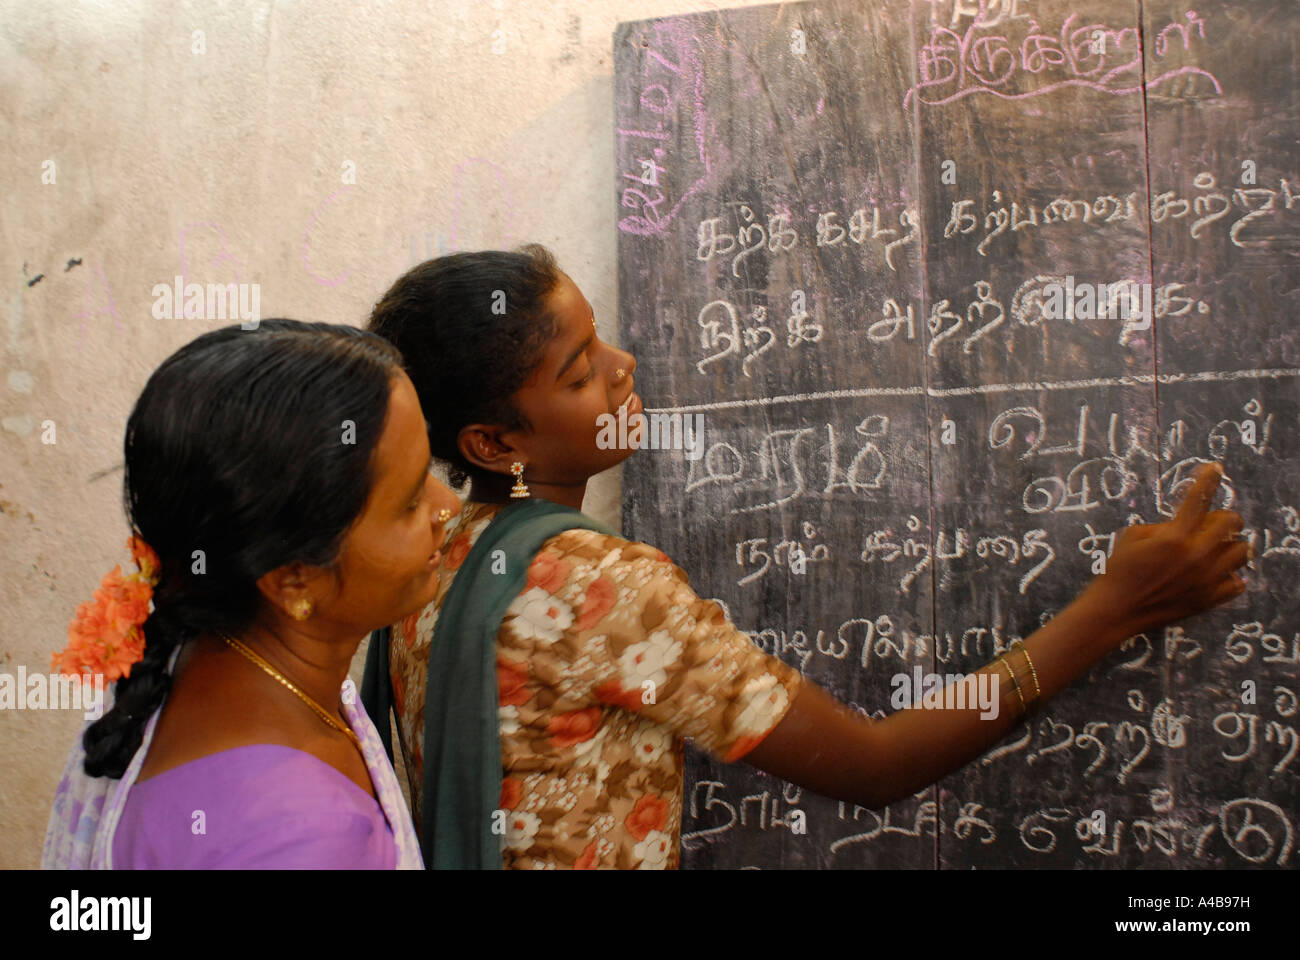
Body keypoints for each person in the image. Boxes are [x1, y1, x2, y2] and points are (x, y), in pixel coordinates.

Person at [362, 245, 1251, 870]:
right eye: (580, 372)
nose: (625, 366)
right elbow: (874, 766)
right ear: (490, 439)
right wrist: (1118, 607)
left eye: (599, 341)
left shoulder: (424, 551)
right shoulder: (597, 585)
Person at [42, 319, 461, 869]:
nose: (447, 507)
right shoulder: (301, 840)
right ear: (294, 579)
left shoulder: (192, 665)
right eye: (408, 502)